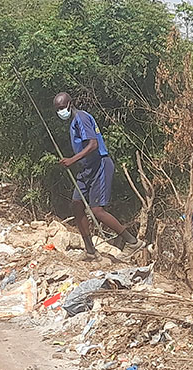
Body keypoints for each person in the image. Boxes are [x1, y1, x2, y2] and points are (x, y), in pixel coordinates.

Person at [54, 92, 139, 254]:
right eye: (57, 109)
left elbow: (93, 145)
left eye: (62, 107)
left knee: (96, 210)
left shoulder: (81, 118)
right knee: (77, 204)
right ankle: (90, 249)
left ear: (70, 104)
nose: (60, 112)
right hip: (86, 169)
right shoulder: (73, 123)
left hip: (99, 165)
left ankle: (131, 241)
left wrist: (72, 160)